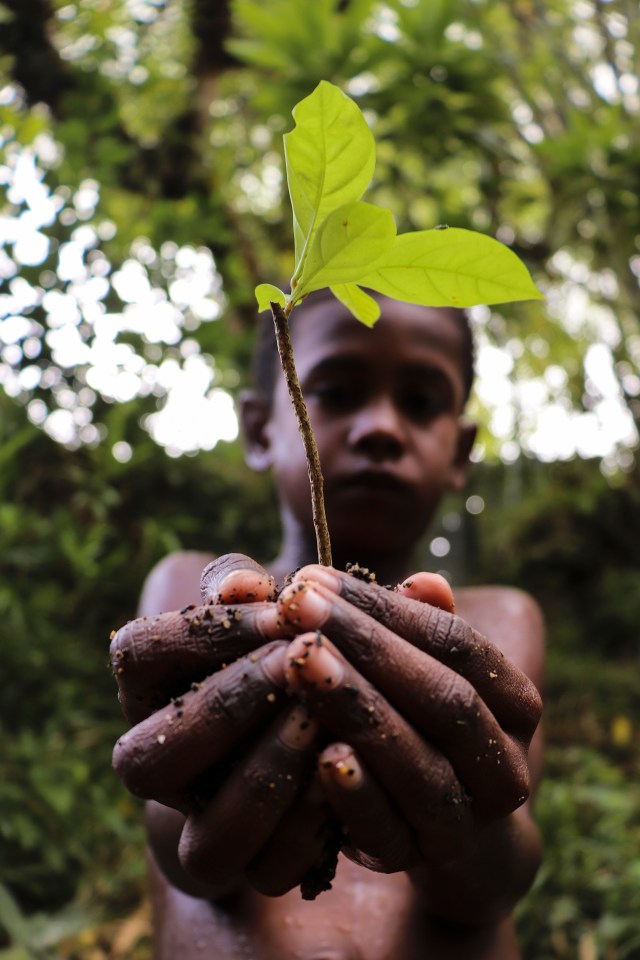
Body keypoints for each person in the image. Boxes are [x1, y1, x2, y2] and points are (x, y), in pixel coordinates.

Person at [110, 290, 544, 960]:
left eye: (422, 402)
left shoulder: (495, 625)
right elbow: (182, 854)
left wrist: (465, 819)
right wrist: (196, 789)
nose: (381, 427)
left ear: (460, 452)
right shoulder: (193, 594)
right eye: (337, 391)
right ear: (259, 430)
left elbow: (492, 885)